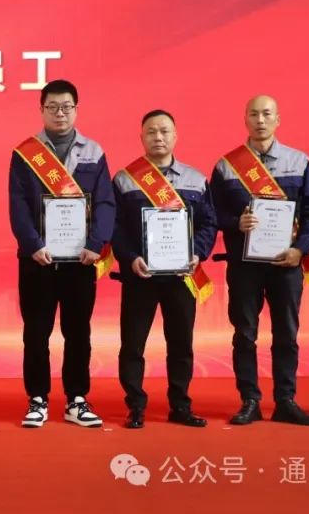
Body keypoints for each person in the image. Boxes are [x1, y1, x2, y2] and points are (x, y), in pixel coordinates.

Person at [209, 95, 309, 426]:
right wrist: (236, 223)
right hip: (244, 266)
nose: (260, 120)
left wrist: (301, 249)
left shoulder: (298, 162)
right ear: (245, 119)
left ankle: (286, 400)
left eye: (267, 114)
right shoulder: (227, 166)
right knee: (245, 334)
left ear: (278, 119)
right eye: (254, 114)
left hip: (286, 263)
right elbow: (211, 214)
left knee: (286, 333)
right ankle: (250, 400)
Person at [8, 79, 114, 428]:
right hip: (38, 260)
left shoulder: (93, 152)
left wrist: (96, 243)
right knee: (36, 333)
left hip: (80, 260)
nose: (60, 113)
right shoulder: (26, 153)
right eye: (52, 107)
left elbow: (105, 202)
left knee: (78, 331)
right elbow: (19, 205)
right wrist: (33, 244)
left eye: (66, 106)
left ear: (76, 109)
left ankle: (76, 399)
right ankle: (37, 398)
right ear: (41, 110)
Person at [113, 109, 216, 429]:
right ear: (141, 137)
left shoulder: (195, 179)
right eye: (151, 131)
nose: (158, 137)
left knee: (181, 343)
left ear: (175, 136)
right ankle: (135, 405)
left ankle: (180, 405)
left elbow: (208, 223)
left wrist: (198, 253)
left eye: (164, 131)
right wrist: (130, 257)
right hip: (140, 275)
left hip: (181, 276)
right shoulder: (125, 179)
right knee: (133, 344)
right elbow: (115, 226)